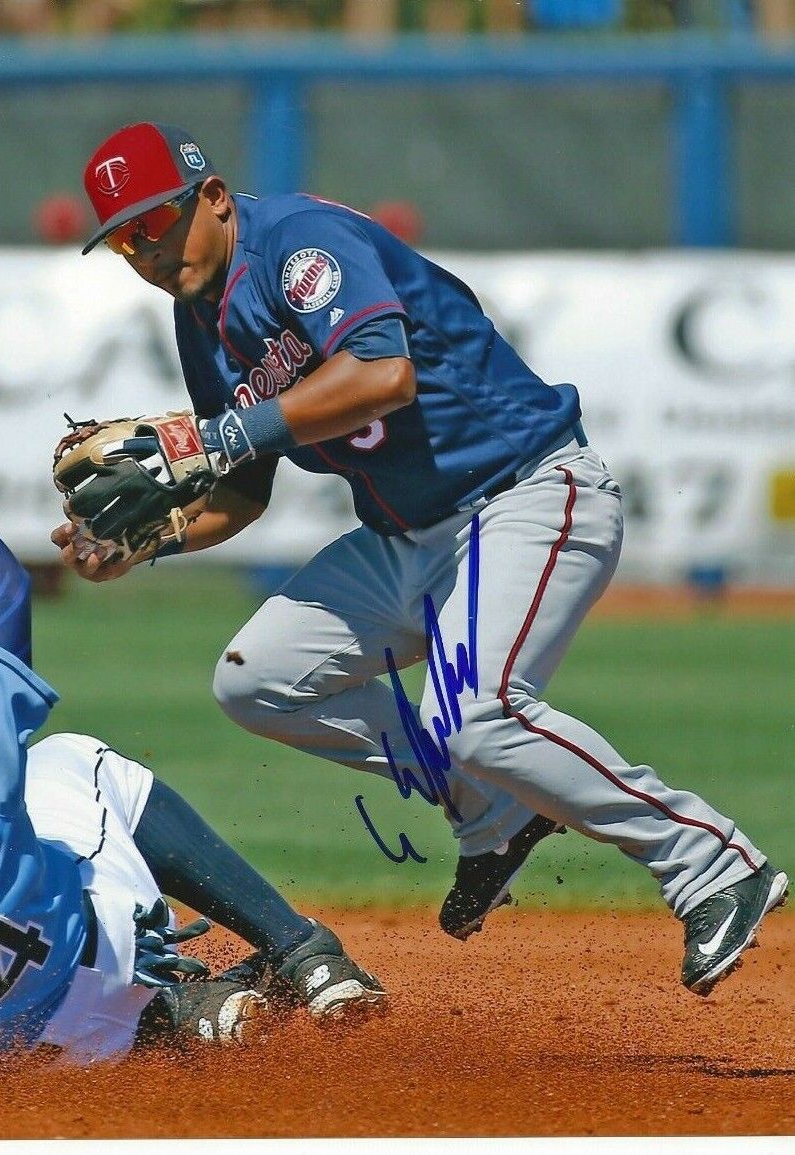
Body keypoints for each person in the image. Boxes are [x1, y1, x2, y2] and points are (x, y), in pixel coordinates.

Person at [54, 121, 788, 997]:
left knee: (480, 712)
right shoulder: (198, 319)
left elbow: (381, 374)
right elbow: (244, 489)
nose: (146, 249)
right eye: (125, 238)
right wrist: (152, 541)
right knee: (256, 679)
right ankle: (495, 807)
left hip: (524, 493)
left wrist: (211, 436)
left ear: (212, 196)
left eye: (157, 219)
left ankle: (713, 862)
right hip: (406, 539)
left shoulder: (299, 245)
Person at [0, 451, 385, 1077]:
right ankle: (295, 954)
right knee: (72, 759)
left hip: (26, 1058)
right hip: (97, 956)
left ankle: (178, 1018)